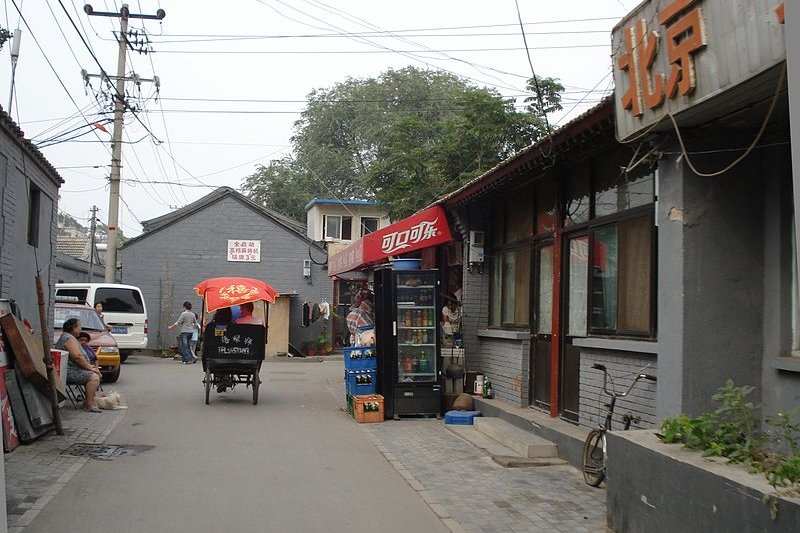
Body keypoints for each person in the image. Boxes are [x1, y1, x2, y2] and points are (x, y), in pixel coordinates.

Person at [55, 318, 102, 412]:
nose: (80, 329)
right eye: (79, 326)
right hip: (68, 371)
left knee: (96, 373)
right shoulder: (68, 338)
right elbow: (77, 356)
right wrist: (89, 367)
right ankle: (89, 404)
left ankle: (88, 400)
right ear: (74, 327)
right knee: (94, 377)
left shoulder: (69, 337)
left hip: (73, 369)